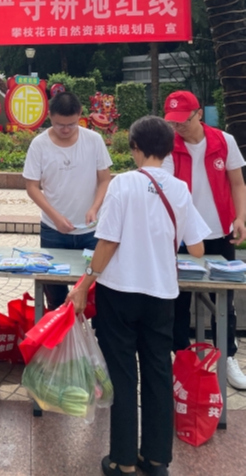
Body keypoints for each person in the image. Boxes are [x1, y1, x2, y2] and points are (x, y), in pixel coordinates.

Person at [68, 116, 210, 476]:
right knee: (158, 371)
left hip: (120, 292)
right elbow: (197, 248)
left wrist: (84, 284)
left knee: (122, 373)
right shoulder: (179, 189)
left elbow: (108, 242)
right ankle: (157, 460)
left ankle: (123, 460)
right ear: (168, 150)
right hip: (162, 294)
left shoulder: (123, 184)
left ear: (134, 147)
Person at [163, 90, 246, 389]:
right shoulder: (168, 145)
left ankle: (227, 356)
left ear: (198, 114)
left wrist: (240, 217)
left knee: (224, 299)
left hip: (218, 232)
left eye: (183, 121)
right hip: (182, 237)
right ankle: (183, 358)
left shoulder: (224, 141)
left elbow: (237, 183)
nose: (178, 127)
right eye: (172, 122)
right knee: (178, 299)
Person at [23, 91, 112, 309]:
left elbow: (104, 180)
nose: (65, 129)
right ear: (50, 116)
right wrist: (55, 217)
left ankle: (90, 331)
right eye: (59, 124)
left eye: (71, 124)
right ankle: (59, 330)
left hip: (91, 231)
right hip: (54, 231)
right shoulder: (39, 144)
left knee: (95, 293)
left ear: (80, 114)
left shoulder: (93, 140)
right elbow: (32, 187)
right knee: (55, 295)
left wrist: (94, 208)